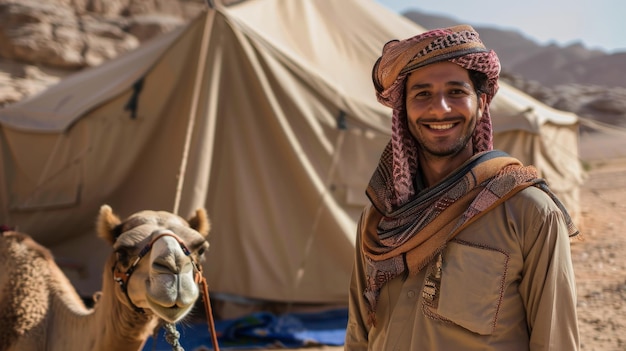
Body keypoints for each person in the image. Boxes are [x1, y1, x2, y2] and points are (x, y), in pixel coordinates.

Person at [344, 25, 580, 350]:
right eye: (422, 94)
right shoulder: (380, 217)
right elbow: (359, 335)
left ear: (482, 103)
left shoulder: (529, 213)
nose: (439, 108)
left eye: (456, 92)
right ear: (403, 110)